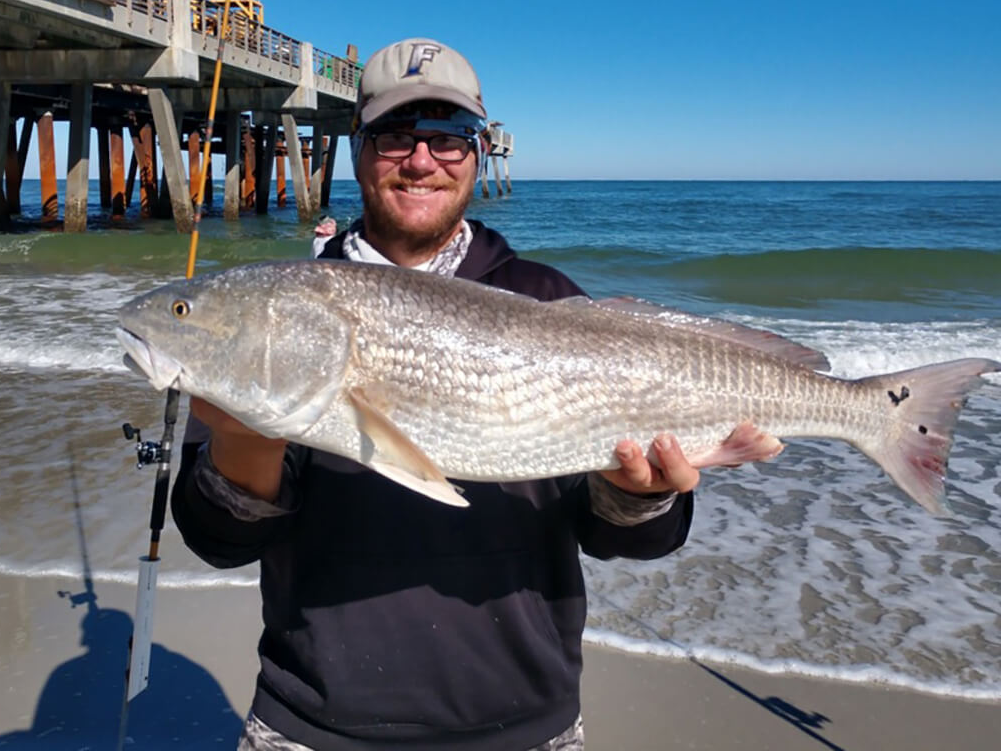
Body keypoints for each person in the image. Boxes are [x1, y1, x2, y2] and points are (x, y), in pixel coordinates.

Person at [171, 37, 702, 751]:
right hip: (313, 722)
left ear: (478, 156)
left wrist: (639, 495)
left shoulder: (546, 298)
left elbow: (624, 536)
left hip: (527, 725)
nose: (421, 160)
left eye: (449, 139)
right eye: (395, 135)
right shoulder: (280, 307)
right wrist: (243, 442)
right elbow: (218, 539)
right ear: (357, 150)